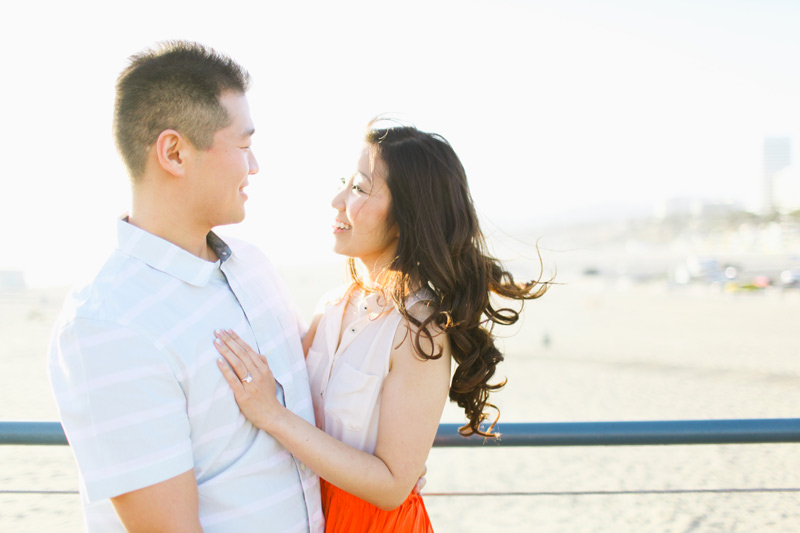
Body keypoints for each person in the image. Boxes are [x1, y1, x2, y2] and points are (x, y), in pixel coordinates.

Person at [214, 123, 548, 531]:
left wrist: (272, 416)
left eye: (358, 189)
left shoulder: (419, 330)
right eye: (345, 184)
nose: (337, 201)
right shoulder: (332, 305)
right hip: (306, 514)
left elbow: (392, 485)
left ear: (405, 217)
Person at [47, 41, 323, 532]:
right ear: (174, 152)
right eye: (242, 146)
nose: (254, 165)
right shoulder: (108, 324)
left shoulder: (253, 266)